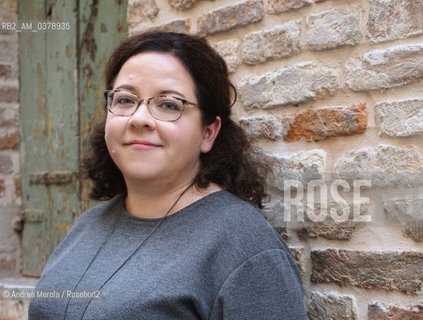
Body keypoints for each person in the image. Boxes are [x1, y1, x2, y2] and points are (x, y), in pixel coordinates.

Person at [28, 31, 307, 319]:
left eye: (168, 105)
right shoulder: (87, 226)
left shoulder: (244, 247)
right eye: (125, 100)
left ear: (208, 133)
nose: (139, 119)